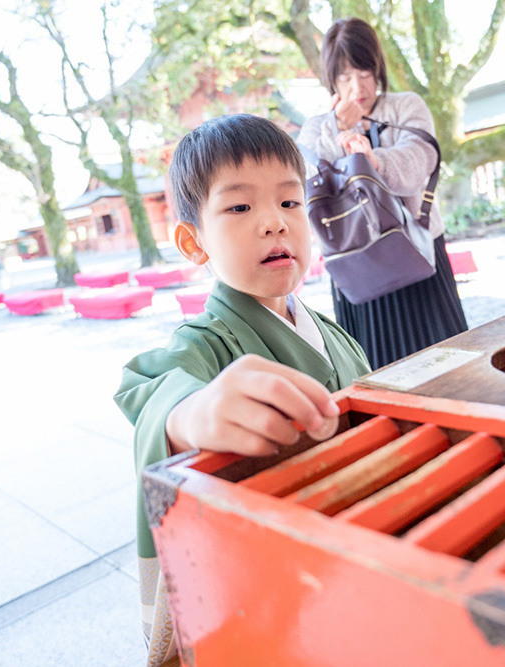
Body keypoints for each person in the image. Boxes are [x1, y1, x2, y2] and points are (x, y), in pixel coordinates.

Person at [113, 114, 371, 666]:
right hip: (269, 594)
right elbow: (151, 387)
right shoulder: (205, 343)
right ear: (192, 241)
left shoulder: (332, 332)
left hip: (357, 561)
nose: (274, 224)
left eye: (289, 202)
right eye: (239, 207)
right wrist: (193, 410)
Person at [297, 17, 467, 370]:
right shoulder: (316, 128)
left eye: (364, 72)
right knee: (377, 368)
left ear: (377, 68)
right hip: (356, 259)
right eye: (344, 77)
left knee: (447, 361)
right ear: (331, 80)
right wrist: (340, 130)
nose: (357, 86)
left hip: (418, 249)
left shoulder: (406, 107)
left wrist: (370, 159)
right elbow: (311, 179)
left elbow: (420, 161)